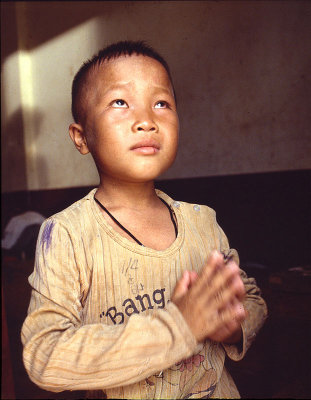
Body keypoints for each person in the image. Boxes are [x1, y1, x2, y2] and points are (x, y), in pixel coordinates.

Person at [21, 40, 267, 399]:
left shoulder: (202, 222)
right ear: (81, 137)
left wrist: (232, 324)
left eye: (161, 103)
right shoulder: (67, 234)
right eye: (120, 102)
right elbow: (45, 357)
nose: (146, 121)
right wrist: (179, 326)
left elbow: (253, 299)